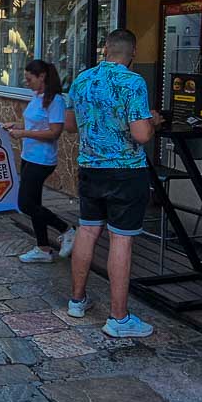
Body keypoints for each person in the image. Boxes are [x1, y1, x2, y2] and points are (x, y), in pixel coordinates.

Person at [65, 28, 163, 339]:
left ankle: (77, 300)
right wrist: (153, 121)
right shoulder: (133, 82)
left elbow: (69, 126)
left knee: (87, 229)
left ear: (105, 49)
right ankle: (118, 318)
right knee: (121, 239)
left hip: (90, 167)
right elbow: (141, 135)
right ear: (132, 54)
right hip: (125, 171)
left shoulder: (81, 79)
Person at [5, 59, 75, 264]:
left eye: (29, 79)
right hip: (28, 156)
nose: (27, 83)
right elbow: (34, 123)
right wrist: (16, 125)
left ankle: (67, 230)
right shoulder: (37, 96)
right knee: (34, 203)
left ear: (42, 76)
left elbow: (54, 132)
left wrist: (23, 133)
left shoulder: (56, 101)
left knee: (25, 204)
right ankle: (43, 248)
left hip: (42, 160)